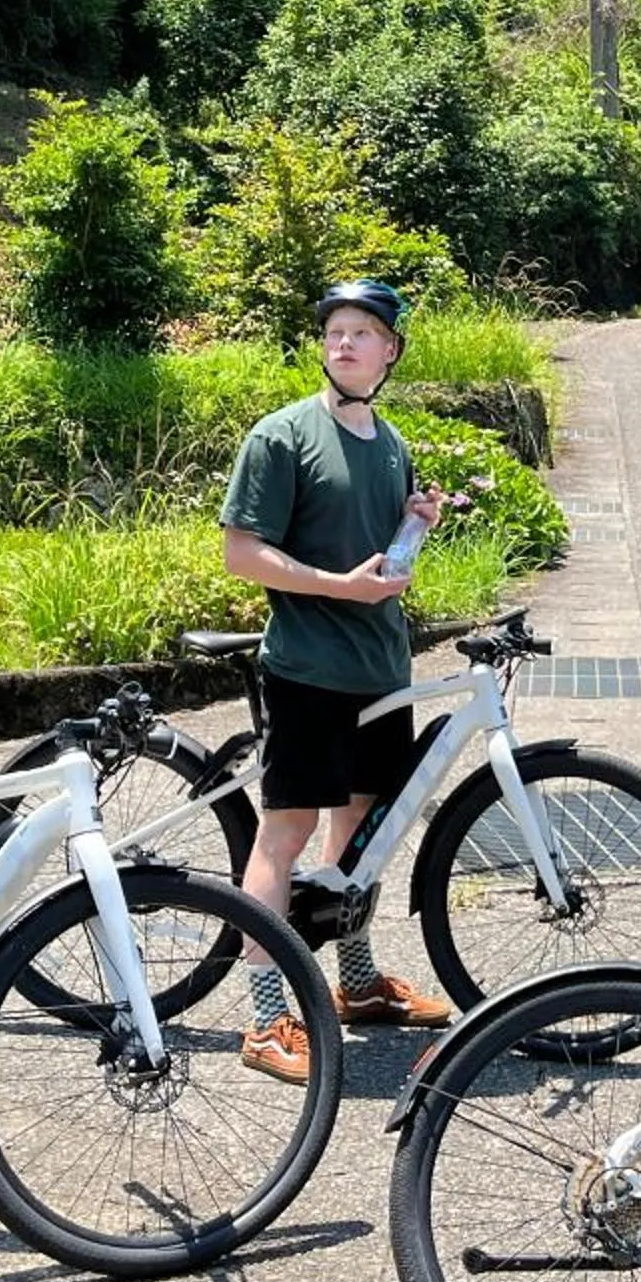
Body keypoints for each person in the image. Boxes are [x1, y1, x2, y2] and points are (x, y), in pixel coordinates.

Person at [219, 279, 454, 1083]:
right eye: (335, 332)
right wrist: (337, 585)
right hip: (309, 670)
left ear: (391, 351)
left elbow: (383, 560)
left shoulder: (390, 442)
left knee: (358, 838)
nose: (345, 344)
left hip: (380, 669)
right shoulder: (282, 438)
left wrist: (415, 529)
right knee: (282, 836)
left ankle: (354, 985)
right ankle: (263, 1018)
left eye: (363, 333)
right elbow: (242, 553)